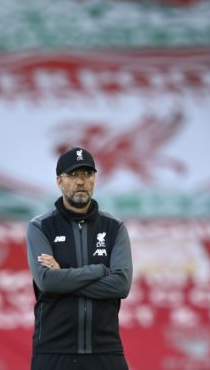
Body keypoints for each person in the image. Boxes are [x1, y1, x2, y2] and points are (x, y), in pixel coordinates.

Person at [26, 147, 133, 370]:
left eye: (87, 174)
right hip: (53, 351)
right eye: (73, 175)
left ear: (94, 179)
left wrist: (63, 273)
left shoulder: (115, 227)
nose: (81, 181)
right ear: (59, 182)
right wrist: (99, 271)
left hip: (105, 349)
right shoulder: (41, 227)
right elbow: (47, 281)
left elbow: (121, 285)